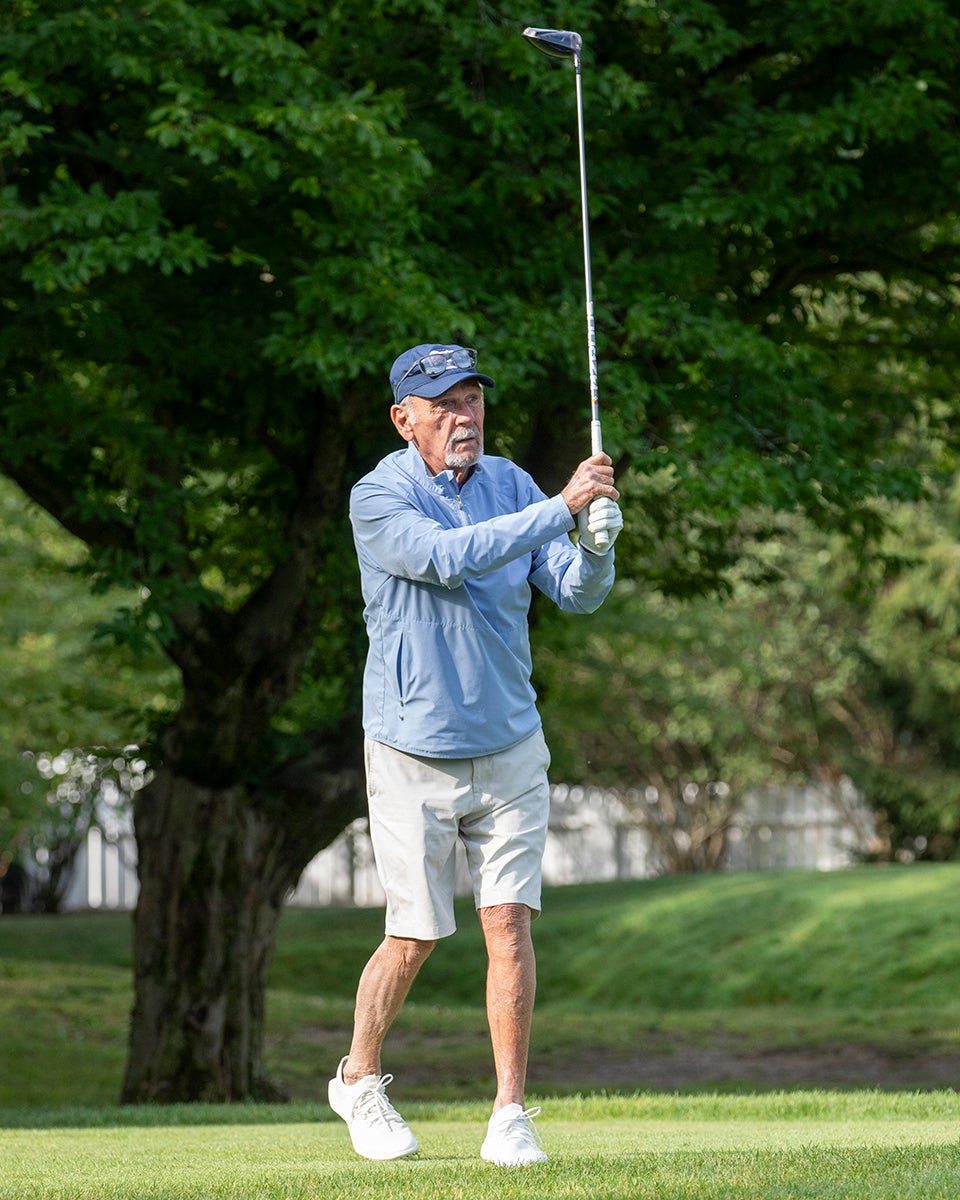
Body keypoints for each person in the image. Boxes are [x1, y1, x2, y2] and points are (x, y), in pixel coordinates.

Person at [328, 342, 623, 1166]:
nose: (465, 418)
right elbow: (450, 558)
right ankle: (358, 1077)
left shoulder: (511, 484)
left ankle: (510, 1112)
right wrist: (564, 504)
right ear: (404, 418)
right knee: (415, 933)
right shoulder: (378, 497)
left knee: (507, 925)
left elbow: (572, 592)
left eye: (472, 400)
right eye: (445, 405)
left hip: (510, 742)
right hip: (411, 747)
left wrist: (595, 545)